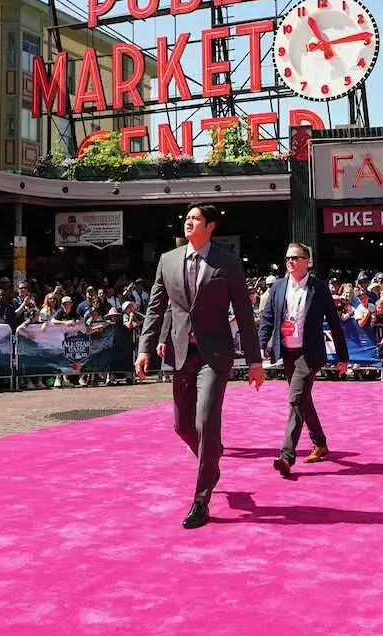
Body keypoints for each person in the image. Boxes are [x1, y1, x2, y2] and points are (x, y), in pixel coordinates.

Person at [136, 204, 265, 530]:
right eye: (187, 218)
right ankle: (212, 461)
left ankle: (201, 500)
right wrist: (144, 349)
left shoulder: (228, 263)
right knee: (182, 426)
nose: (189, 222)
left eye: (196, 219)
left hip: (215, 356)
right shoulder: (168, 261)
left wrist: (254, 360)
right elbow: (156, 308)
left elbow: (245, 315)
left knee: (207, 421)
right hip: (182, 354)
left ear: (210, 226)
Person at [258, 243, 349, 479]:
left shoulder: (318, 288)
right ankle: (320, 443)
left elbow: (335, 322)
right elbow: (268, 318)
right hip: (287, 352)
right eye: (287, 258)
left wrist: (342, 356)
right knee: (303, 399)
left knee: (296, 399)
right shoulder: (278, 286)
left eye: (294, 258)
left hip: (309, 354)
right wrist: (260, 347)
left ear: (307, 261)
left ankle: (286, 456)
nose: (289, 262)